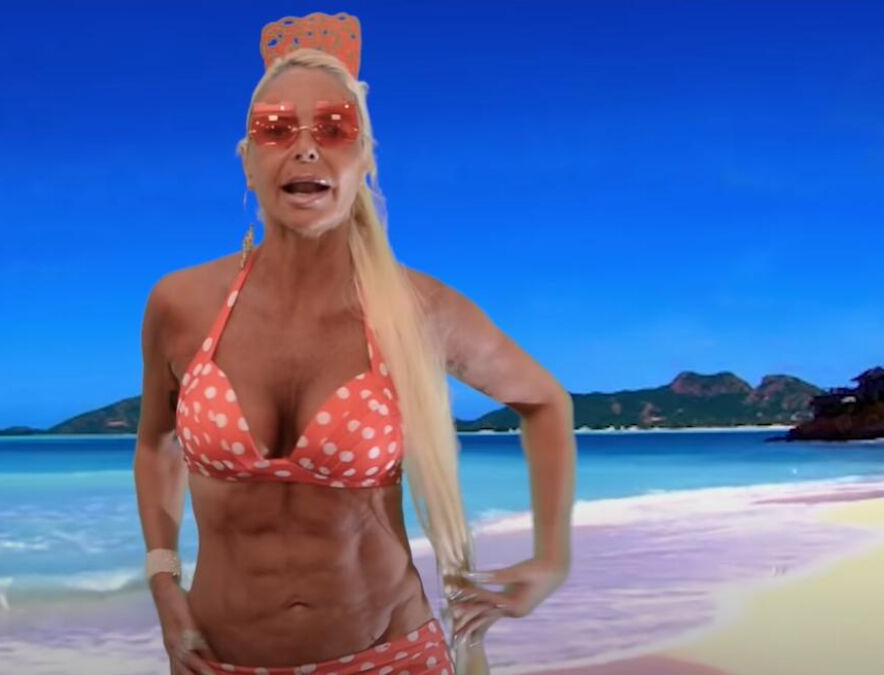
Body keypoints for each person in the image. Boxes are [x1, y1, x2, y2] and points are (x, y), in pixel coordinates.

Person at [133, 12, 577, 675]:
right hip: (213, 662)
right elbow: (155, 443)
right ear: (247, 161)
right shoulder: (180, 305)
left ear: (365, 158)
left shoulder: (418, 309)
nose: (306, 149)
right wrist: (163, 577)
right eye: (276, 129)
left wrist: (552, 560)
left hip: (390, 656)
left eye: (334, 129)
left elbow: (544, 401)